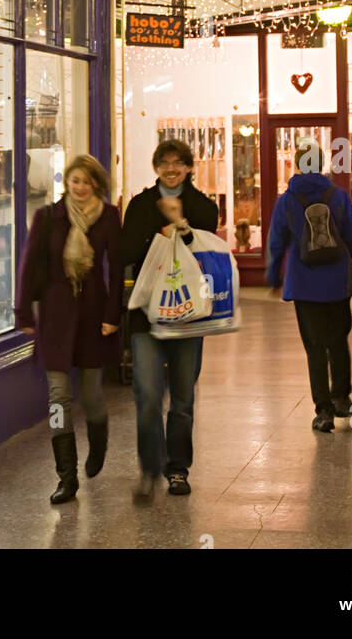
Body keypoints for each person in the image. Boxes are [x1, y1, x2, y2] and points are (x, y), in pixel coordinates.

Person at [15, 155, 122, 505]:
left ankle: (98, 441)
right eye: (74, 180)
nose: (79, 187)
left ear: (96, 184)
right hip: (56, 318)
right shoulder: (47, 218)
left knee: (91, 398)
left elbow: (116, 269)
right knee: (58, 399)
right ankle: (66, 477)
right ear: (67, 182)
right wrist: (24, 315)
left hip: (93, 318)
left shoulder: (108, 217)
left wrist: (112, 315)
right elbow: (28, 267)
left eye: (86, 181)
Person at [121, 138, 220, 501]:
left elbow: (209, 251)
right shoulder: (139, 205)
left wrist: (181, 223)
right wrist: (157, 237)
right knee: (147, 395)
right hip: (147, 315)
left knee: (181, 398)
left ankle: (177, 469)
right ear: (156, 167)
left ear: (190, 167)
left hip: (189, 314)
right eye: (164, 162)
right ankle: (149, 468)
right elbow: (123, 253)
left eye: (179, 162)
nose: (172, 168)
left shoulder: (204, 207)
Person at [265, 139, 352, 432]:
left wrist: (273, 274)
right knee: (339, 341)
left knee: (314, 347)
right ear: (323, 164)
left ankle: (323, 410)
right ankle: (341, 397)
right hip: (337, 283)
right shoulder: (337, 196)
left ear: (298, 165)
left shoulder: (287, 200)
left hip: (303, 284)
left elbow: (276, 241)